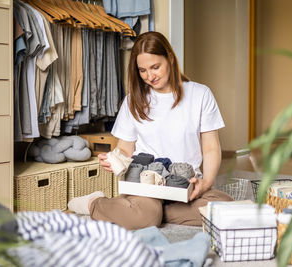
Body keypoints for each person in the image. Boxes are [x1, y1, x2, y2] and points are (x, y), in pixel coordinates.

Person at [68, 31, 233, 230]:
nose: (150, 76)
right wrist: (115, 160)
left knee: (226, 208)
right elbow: (125, 149)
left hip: (184, 184)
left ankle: (150, 211)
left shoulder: (200, 94)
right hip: (144, 184)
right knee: (146, 216)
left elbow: (211, 148)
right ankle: (94, 203)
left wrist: (205, 184)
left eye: (155, 67)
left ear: (170, 59)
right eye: (143, 70)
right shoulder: (133, 100)